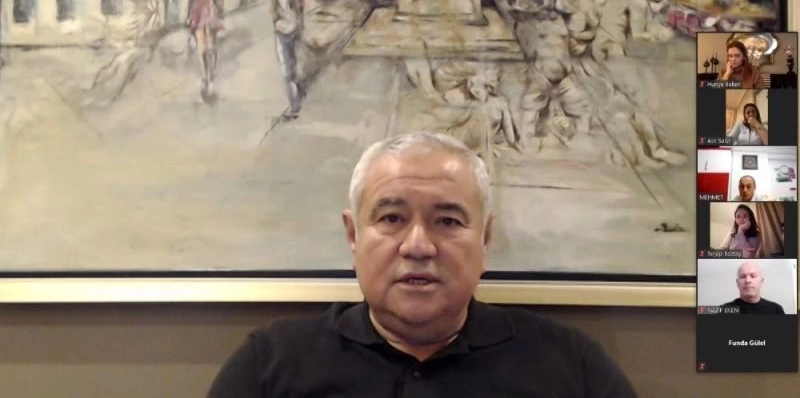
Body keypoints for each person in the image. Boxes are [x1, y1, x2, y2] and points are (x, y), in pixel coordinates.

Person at [206, 132, 638, 397]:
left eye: (447, 221)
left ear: (485, 239)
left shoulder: (568, 363)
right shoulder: (271, 364)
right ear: (353, 235)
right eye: (392, 218)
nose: (418, 246)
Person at [269, 0, 305, 116]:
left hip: (287, 28)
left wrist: (276, 21)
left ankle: (294, 106)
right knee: (291, 63)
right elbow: (300, 4)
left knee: (287, 66)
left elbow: (272, 6)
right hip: (290, 28)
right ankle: (297, 91)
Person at [187, 0, 225, 95]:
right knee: (201, 46)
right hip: (197, 10)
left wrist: (220, 14)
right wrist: (188, 18)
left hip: (211, 9)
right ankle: (204, 77)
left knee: (211, 46)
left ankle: (212, 76)